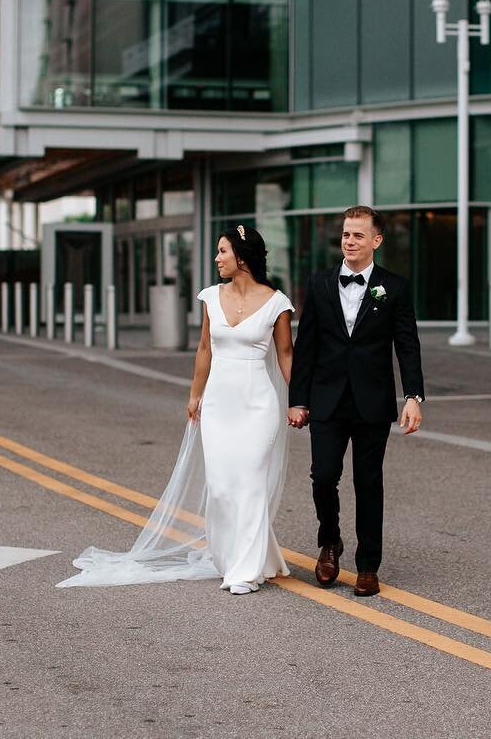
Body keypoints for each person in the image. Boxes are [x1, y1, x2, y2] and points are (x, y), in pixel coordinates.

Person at [58, 225, 294, 595]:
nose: (216, 258)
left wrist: (297, 401)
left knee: (249, 482)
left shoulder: (277, 302)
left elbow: (285, 354)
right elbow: (204, 349)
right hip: (219, 401)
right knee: (220, 488)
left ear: (242, 257)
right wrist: (194, 394)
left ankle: (245, 570)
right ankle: (236, 556)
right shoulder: (210, 297)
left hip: (258, 404)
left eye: (222, 251)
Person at [288, 205, 425, 598]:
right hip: (327, 400)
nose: (349, 241)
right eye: (346, 234)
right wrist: (298, 399)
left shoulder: (394, 287)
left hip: (372, 402)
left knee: (368, 483)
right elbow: (307, 346)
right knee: (324, 477)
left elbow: (408, 346)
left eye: (358, 235)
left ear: (376, 240)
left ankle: (368, 565)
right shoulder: (319, 284)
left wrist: (413, 396)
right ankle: (330, 542)